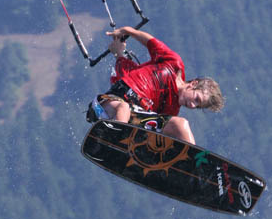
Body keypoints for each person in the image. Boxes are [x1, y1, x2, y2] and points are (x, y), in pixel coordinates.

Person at [92, 26, 224, 145]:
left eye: (197, 106)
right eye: (196, 99)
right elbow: (150, 42)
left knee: (181, 124)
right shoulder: (174, 63)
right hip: (111, 104)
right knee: (124, 108)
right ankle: (114, 139)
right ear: (193, 84)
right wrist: (128, 32)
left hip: (134, 119)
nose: (192, 105)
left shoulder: (171, 110)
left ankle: (191, 164)